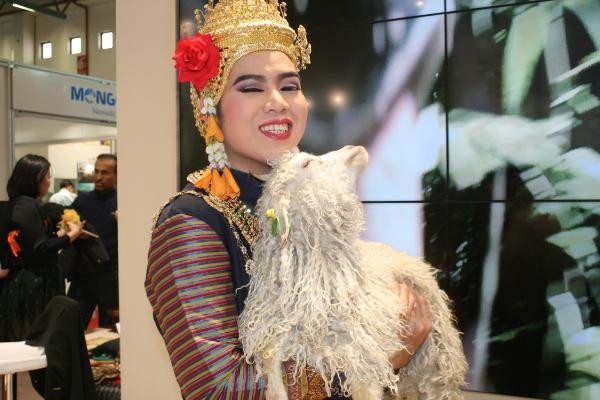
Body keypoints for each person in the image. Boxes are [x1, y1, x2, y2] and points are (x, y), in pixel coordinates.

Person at [145, 1, 432, 399]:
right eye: (251, 88)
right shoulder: (190, 223)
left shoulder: (312, 204)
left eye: (289, 86)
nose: (277, 101)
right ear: (211, 107)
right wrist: (377, 357)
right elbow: (220, 390)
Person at [0, 154, 83, 341]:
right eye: (47, 177)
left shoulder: (19, 203)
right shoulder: (26, 205)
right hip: (34, 283)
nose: (49, 182)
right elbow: (40, 248)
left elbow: (33, 241)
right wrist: (71, 236)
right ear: (35, 179)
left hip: (28, 281)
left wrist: (61, 234)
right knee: (37, 340)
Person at [68, 153, 118, 327]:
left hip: (111, 275)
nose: (98, 177)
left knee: (112, 329)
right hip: (84, 274)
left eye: (105, 172)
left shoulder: (123, 201)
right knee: (72, 325)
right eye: (96, 171)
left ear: (116, 174)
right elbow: (65, 225)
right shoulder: (82, 200)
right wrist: (74, 231)